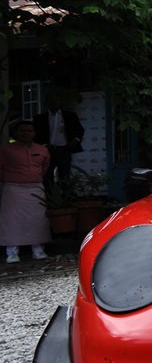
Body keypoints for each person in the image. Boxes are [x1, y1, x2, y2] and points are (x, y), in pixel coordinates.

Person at [0, 120, 52, 263]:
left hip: (35, 188)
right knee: (11, 221)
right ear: (15, 133)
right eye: (22, 130)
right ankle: (11, 252)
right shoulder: (6, 149)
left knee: (37, 220)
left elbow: (44, 168)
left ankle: (38, 250)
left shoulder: (42, 150)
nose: (25, 133)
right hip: (13, 188)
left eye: (29, 131)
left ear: (34, 133)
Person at [34, 95, 84, 192]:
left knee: (65, 176)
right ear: (47, 103)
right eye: (51, 100)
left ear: (60, 102)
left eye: (56, 100)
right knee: (47, 176)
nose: (53, 102)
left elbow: (79, 129)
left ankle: (65, 199)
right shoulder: (39, 118)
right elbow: (35, 134)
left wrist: (76, 139)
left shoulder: (70, 115)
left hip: (64, 149)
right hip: (47, 150)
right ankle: (50, 199)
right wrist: (44, 145)